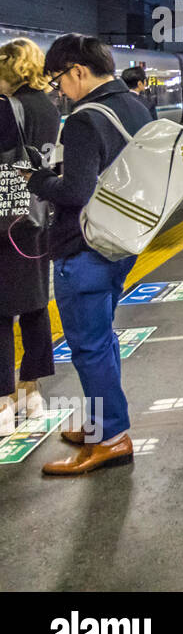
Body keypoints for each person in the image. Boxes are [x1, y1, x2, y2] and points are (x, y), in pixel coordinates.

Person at [24, 34, 152, 475]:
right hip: (122, 242)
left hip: (85, 248)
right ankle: (102, 422)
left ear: (78, 71)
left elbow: (76, 191)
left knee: (89, 347)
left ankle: (112, 438)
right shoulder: (136, 107)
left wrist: (39, 181)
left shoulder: (83, 119)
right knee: (103, 338)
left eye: (59, 80)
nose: (59, 90)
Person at [0, 39, 59, 434]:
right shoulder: (50, 108)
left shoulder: (5, 108)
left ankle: (2, 403)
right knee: (36, 304)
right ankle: (30, 392)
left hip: (4, 219)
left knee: (0, 311)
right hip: (37, 215)